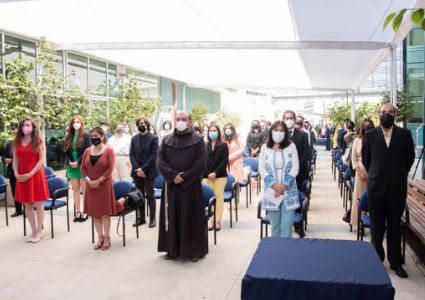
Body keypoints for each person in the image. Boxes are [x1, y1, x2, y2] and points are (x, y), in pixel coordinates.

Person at [362, 103, 415, 278]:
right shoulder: (370, 135)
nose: (386, 115)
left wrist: (397, 174)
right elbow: (366, 160)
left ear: (395, 115)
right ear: (378, 114)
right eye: (383, 112)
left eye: (390, 112)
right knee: (376, 228)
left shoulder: (404, 135)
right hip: (376, 188)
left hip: (396, 189)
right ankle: (376, 260)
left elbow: (409, 158)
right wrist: (378, 174)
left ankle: (396, 262)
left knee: (394, 227)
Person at [158, 111, 207, 262]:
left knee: (190, 217)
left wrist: (184, 178)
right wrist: (173, 176)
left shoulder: (198, 140)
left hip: (191, 187)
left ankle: (193, 251)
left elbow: (201, 163)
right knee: (172, 217)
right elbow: (160, 160)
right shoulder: (166, 140)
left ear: (190, 122)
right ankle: (172, 249)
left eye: (183, 119)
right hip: (172, 186)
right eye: (178, 119)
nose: (180, 121)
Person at [259, 120, 299, 238]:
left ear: (286, 133)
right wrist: (275, 185)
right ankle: (276, 254)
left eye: (281, 130)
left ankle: (286, 254)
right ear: (271, 131)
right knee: (275, 227)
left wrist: (283, 186)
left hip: (289, 191)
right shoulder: (264, 148)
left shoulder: (291, 146)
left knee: (286, 228)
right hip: (271, 192)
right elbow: (262, 169)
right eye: (276, 130)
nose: (278, 133)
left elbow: (295, 168)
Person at [13, 118, 49, 243]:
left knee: (38, 204)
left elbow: (41, 160)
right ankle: (33, 231)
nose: (25, 127)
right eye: (23, 125)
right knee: (27, 204)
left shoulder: (38, 141)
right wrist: (16, 173)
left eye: (28, 125)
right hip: (22, 175)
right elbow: (15, 160)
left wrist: (31, 173)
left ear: (33, 127)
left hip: (35, 175)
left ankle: (39, 231)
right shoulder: (17, 142)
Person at [81, 127, 116, 250]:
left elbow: (110, 169)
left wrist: (99, 180)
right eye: (91, 136)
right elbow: (83, 168)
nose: (93, 138)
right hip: (90, 186)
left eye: (96, 136)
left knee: (104, 213)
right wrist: (89, 181)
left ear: (102, 136)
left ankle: (107, 237)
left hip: (104, 185)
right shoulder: (87, 151)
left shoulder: (109, 151)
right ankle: (99, 237)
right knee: (94, 213)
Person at [130, 117, 159, 228]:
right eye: (139, 123)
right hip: (137, 171)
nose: (141, 125)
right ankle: (141, 218)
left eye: (142, 123)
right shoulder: (134, 138)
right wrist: (138, 169)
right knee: (139, 194)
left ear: (147, 124)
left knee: (150, 194)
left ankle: (152, 218)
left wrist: (143, 169)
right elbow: (131, 154)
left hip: (149, 171)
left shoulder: (154, 138)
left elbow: (154, 155)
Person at [64, 115, 91, 222]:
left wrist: (78, 162)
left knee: (84, 190)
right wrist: (70, 162)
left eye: (78, 122)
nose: (76, 124)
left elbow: (87, 150)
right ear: (71, 124)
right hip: (71, 166)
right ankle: (78, 212)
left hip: (82, 165)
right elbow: (65, 152)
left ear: (81, 124)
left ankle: (86, 212)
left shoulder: (86, 136)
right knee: (75, 189)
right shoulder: (68, 136)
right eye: (74, 122)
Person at [204, 124, 228, 231]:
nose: (212, 132)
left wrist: (215, 173)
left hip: (220, 176)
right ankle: (211, 220)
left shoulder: (223, 145)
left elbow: (224, 161)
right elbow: (202, 161)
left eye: (214, 130)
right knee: (210, 199)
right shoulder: (205, 145)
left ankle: (218, 220)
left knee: (218, 198)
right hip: (207, 176)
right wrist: (208, 173)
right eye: (211, 130)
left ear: (218, 132)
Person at [350, 118, 374, 226]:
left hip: (373, 173)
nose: (367, 128)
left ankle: (373, 222)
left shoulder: (376, 140)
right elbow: (354, 158)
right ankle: (358, 222)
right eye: (365, 126)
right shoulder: (357, 141)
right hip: (360, 172)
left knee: (373, 199)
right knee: (359, 198)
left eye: (369, 126)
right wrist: (359, 172)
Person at [283, 110, 309, 189]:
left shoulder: (303, 135)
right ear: (283, 120)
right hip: (282, 175)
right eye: (287, 118)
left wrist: (293, 168)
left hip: (298, 174)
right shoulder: (280, 135)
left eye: (291, 118)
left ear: (295, 119)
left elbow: (305, 155)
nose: (289, 120)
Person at [1, 139, 22, 217]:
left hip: (23, 170)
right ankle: (18, 210)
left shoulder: (25, 143)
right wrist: (5, 159)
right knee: (14, 190)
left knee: (24, 190)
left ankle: (28, 209)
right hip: (12, 172)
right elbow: (3, 157)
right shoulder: (10, 144)